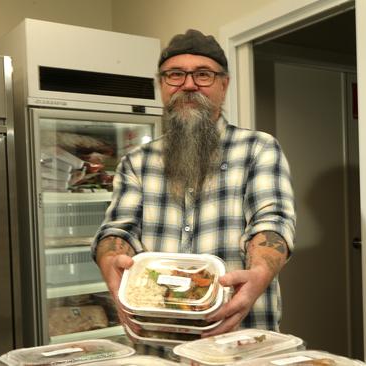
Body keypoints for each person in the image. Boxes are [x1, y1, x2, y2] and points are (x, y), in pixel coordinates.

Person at [91, 29, 296, 343]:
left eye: (203, 74)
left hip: (240, 340)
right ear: (161, 85)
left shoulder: (258, 148)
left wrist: (258, 274)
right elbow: (118, 230)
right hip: (158, 341)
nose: (188, 84)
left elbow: (272, 221)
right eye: (175, 75)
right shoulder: (137, 161)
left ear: (223, 85)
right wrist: (111, 265)